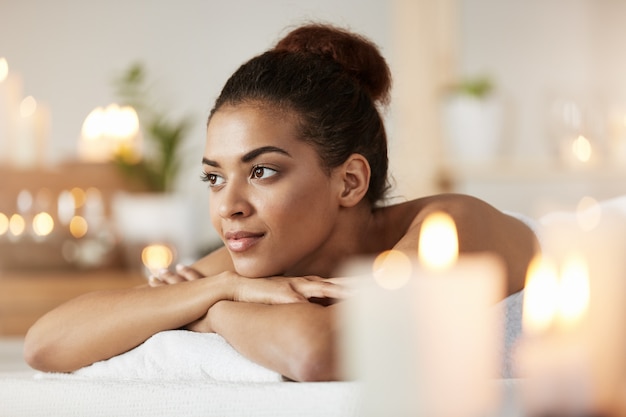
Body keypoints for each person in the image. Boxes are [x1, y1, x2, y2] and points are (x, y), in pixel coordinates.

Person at [24, 23, 537, 382]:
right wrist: (220, 288)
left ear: (350, 181)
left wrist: (206, 308)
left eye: (262, 171)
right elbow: (46, 344)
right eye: (213, 178)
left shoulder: (449, 228)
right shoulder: (259, 256)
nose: (229, 205)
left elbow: (319, 353)